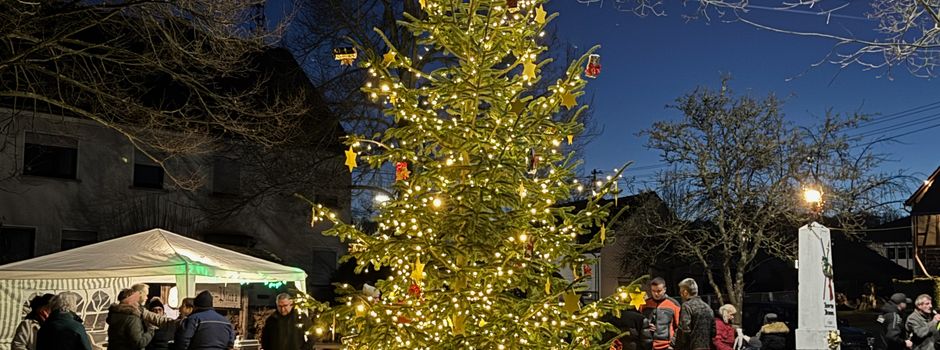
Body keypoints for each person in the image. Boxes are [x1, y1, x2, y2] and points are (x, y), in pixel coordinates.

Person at [675, 278, 715, 350]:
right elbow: (713, 332)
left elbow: (684, 330)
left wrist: (677, 346)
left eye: (680, 292)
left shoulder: (687, 306)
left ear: (685, 292)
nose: (680, 294)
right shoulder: (708, 308)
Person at [643, 277, 681, 350]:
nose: (656, 294)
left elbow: (679, 327)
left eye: (659, 291)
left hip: (666, 346)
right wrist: (646, 326)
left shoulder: (674, 304)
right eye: (653, 291)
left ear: (664, 290)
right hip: (647, 345)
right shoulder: (645, 304)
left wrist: (672, 344)